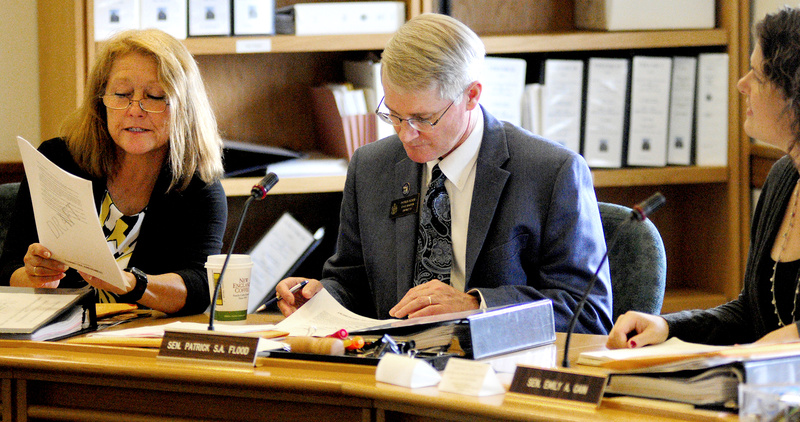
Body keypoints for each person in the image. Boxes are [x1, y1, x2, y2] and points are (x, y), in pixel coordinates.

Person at [276, 13, 613, 334]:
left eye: (423, 118)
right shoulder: (370, 167)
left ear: (472, 95)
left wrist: (475, 306)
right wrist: (321, 296)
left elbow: (589, 314)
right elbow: (354, 283)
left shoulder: (551, 172)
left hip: (496, 374)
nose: (405, 134)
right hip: (393, 368)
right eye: (393, 115)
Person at [607, 6, 800, 349]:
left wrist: (766, 352)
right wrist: (667, 326)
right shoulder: (784, 176)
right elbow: (748, 315)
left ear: (793, 95)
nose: (742, 85)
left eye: (757, 76)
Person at [0, 29, 227, 316]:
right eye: (121, 94)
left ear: (184, 107)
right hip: (58, 339)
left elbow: (199, 287)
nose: (135, 109)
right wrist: (33, 275)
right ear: (101, 99)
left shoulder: (198, 188)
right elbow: (7, 269)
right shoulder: (58, 160)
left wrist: (129, 283)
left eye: (155, 96)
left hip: (140, 348)